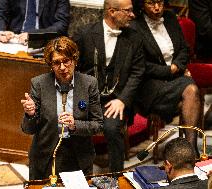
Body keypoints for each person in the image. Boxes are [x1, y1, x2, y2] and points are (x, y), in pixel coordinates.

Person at [73, 0, 145, 172]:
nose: (132, 15)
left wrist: (123, 100)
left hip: (115, 100)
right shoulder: (85, 34)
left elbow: (138, 72)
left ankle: (116, 175)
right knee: (74, 122)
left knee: (112, 128)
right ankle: (78, 173)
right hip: (86, 98)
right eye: (128, 11)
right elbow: (74, 68)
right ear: (112, 12)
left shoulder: (135, 37)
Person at [21, 36, 103, 180]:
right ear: (50, 65)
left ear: (74, 60)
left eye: (66, 61)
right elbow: (28, 129)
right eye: (56, 63)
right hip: (46, 155)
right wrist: (30, 114)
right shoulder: (39, 84)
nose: (62, 67)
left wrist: (74, 125)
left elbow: (98, 125)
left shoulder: (89, 84)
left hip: (78, 156)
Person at [131, 0, 200, 155]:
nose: (157, 8)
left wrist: (177, 66)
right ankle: (190, 151)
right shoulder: (135, 26)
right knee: (190, 94)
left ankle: (190, 148)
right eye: (150, 3)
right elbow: (142, 65)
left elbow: (184, 49)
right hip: (151, 84)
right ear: (142, 4)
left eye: (159, 2)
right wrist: (170, 71)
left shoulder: (170, 18)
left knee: (192, 91)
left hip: (176, 78)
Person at [0, 0, 70, 44]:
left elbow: (61, 24)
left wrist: (34, 35)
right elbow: (0, 14)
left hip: (45, 43)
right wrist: (0, 32)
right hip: (15, 41)